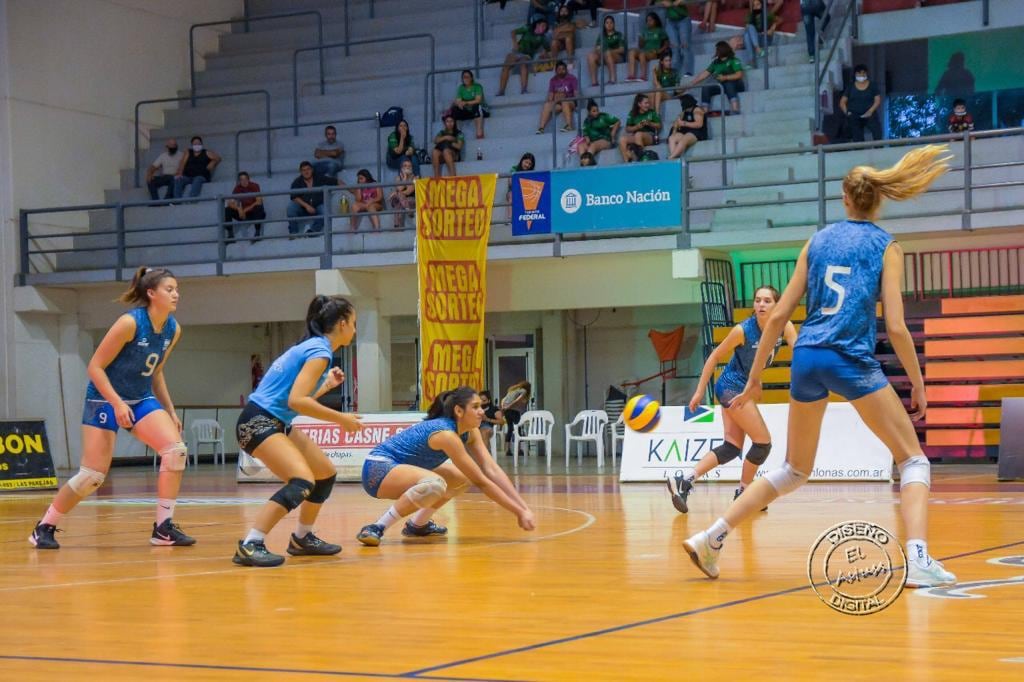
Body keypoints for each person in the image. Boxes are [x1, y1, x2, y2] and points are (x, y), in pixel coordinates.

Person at [683, 145, 959, 589]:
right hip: (850, 358)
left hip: (807, 357)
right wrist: (918, 383)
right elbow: (896, 326)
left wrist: (754, 381)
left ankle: (712, 537)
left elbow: (776, 317)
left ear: (845, 199)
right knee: (912, 461)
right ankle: (919, 558)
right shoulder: (888, 246)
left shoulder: (817, 241)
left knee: (794, 469)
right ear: (878, 200)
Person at [30, 267, 193, 550]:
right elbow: (95, 367)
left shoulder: (172, 329)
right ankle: (45, 526)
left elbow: (156, 372)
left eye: (177, 289)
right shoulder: (130, 323)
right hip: (104, 398)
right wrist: (116, 403)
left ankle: (163, 528)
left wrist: (170, 409)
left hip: (140, 398)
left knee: (175, 451)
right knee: (92, 476)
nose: (176, 294)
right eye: (170, 289)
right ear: (151, 293)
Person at [233, 295, 362, 567]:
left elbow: (293, 397)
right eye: (354, 323)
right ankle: (250, 544)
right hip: (258, 421)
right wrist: (342, 419)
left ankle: (302, 538)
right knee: (302, 480)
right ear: (341, 324)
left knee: (324, 474)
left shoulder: (313, 346)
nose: (355, 329)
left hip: (274, 420)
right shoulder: (320, 351)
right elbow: (296, 402)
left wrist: (325, 386)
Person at [670, 286, 798, 513]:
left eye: (767, 301)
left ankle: (686, 480)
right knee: (762, 442)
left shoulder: (784, 326)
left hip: (743, 389)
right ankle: (744, 493)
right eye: (758, 300)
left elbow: (798, 353)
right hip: (731, 387)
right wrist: (700, 391)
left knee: (731, 448)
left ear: (776, 305)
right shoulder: (743, 330)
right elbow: (715, 356)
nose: (761, 304)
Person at [356, 387, 536, 546]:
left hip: (402, 469)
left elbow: (492, 469)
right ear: (459, 411)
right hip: (377, 470)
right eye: (475, 407)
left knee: (460, 478)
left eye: (481, 406)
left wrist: (523, 507)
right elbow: (482, 481)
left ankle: (418, 525)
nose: (481, 411)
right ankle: (377, 527)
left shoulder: (471, 431)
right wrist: (518, 512)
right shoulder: (446, 434)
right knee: (435, 484)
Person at [681, 40, 746, 115]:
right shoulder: (716, 62)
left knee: (728, 84)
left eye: (717, 49)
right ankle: (705, 112)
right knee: (706, 87)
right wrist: (692, 83)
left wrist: (725, 77)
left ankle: (735, 109)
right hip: (722, 86)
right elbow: (705, 74)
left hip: (737, 85)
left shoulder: (733, 60)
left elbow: (739, 74)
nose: (716, 52)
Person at [497, 17, 551, 96]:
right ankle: (501, 91)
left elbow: (548, 49)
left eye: (545, 27)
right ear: (537, 24)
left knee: (523, 63)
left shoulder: (542, 38)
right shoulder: (528, 28)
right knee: (506, 66)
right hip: (517, 52)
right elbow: (513, 32)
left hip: (527, 55)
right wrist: (515, 43)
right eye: (542, 26)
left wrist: (544, 53)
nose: (543, 28)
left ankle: (524, 89)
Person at [288, 161, 338, 237]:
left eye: (308, 169)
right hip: (303, 208)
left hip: (318, 206)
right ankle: (293, 233)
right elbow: (294, 197)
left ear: (312, 170)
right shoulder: (297, 182)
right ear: (301, 172)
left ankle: (313, 231)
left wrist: (351, 190)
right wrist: (306, 206)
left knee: (324, 210)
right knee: (291, 208)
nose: (306, 172)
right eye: (304, 170)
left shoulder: (319, 178)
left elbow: (337, 181)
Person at [839, 64, 882, 142]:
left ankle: (879, 151)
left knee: (877, 133)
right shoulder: (850, 87)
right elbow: (842, 102)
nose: (861, 75)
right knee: (857, 137)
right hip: (854, 115)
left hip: (870, 114)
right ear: (855, 74)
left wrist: (870, 111)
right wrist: (847, 112)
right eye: (859, 73)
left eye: (863, 73)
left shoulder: (872, 86)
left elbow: (877, 100)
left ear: (866, 74)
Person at [652, 0, 694, 77]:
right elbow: (655, 3)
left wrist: (680, 1)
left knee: (685, 46)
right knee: (674, 48)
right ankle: (674, 73)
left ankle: (688, 72)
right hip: (670, 22)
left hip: (683, 20)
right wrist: (663, 2)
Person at [537, 60, 579, 134]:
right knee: (547, 105)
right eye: (559, 69)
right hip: (558, 103)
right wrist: (555, 98)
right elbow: (550, 96)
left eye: (563, 69)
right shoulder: (553, 80)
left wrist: (566, 97)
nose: (561, 71)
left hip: (570, 102)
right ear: (556, 71)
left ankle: (569, 126)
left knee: (564, 102)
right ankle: (541, 128)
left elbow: (576, 94)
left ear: (566, 70)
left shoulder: (572, 78)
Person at [224, 171, 266, 244]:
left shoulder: (254, 186)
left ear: (248, 179)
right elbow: (230, 203)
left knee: (258, 207)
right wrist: (239, 209)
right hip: (243, 214)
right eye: (241, 179)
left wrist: (245, 210)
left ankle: (257, 233)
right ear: (239, 181)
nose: (243, 181)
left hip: (254, 212)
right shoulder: (237, 188)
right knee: (227, 210)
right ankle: (230, 235)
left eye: (245, 179)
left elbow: (259, 201)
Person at [619, 93, 662, 163]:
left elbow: (659, 125)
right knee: (622, 139)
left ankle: (641, 159)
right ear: (639, 104)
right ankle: (627, 162)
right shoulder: (632, 113)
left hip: (651, 136)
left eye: (648, 103)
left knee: (638, 134)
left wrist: (650, 123)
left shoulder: (651, 112)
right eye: (646, 103)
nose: (648, 105)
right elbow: (627, 129)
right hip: (637, 136)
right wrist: (637, 127)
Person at [627, 12, 669, 82]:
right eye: (647, 21)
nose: (648, 22)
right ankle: (631, 76)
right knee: (631, 52)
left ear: (655, 21)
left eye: (650, 20)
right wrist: (641, 39)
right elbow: (640, 46)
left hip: (653, 52)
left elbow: (667, 43)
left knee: (642, 54)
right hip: (644, 51)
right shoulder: (644, 31)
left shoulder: (660, 30)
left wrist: (659, 51)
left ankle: (643, 76)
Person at [587, 15, 626, 87]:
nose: (609, 24)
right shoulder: (601, 36)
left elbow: (622, 50)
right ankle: (594, 82)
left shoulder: (619, 34)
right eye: (607, 23)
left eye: (611, 23)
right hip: (604, 57)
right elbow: (597, 48)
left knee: (607, 52)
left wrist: (609, 51)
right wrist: (600, 51)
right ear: (604, 25)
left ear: (614, 24)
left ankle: (612, 79)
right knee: (591, 56)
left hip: (618, 57)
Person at [666, 94, 707, 160]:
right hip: (685, 132)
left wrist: (684, 123)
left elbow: (699, 124)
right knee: (672, 138)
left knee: (684, 139)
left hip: (696, 133)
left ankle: (671, 158)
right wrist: (674, 130)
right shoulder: (684, 111)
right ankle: (674, 158)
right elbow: (677, 122)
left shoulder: (697, 110)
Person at [744, 0, 780, 67]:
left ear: (762, 5)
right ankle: (757, 52)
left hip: (765, 38)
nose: (756, 7)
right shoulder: (750, 16)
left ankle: (752, 60)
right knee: (747, 34)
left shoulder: (766, 14)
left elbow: (780, 19)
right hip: (756, 40)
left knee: (748, 32)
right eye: (754, 5)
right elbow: (747, 28)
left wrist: (772, 28)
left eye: (758, 4)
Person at [451, 70, 487, 140]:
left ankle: (479, 133)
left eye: (467, 77)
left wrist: (466, 102)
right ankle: (456, 134)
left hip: (481, 110)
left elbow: (478, 100)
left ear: (471, 78)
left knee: (476, 106)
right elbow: (458, 100)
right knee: (455, 110)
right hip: (468, 111)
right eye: (464, 77)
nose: (466, 79)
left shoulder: (477, 86)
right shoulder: (461, 87)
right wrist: (459, 104)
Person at [500, 380, 532, 455]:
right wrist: (509, 406)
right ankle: (519, 450)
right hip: (514, 410)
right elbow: (517, 400)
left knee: (510, 429)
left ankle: (507, 450)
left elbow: (503, 399)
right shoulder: (524, 391)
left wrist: (504, 407)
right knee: (518, 428)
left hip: (507, 411)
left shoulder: (512, 389)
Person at [388, 158, 417, 229]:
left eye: (409, 166)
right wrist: (404, 178)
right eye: (405, 166)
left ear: (412, 168)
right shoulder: (398, 178)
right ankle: (408, 210)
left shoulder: (415, 178)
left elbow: (409, 191)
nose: (407, 167)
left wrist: (396, 193)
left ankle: (397, 227)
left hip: (411, 200)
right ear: (401, 168)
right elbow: (399, 188)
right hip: (401, 201)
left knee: (398, 203)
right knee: (399, 200)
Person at [506, 152, 536, 220]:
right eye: (526, 162)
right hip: (514, 191)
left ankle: (530, 217)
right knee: (511, 195)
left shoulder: (532, 172)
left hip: (526, 192)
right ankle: (510, 218)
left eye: (529, 164)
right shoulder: (514, 169)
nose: (527, 165)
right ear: (522, 160)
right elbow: (510, 183)